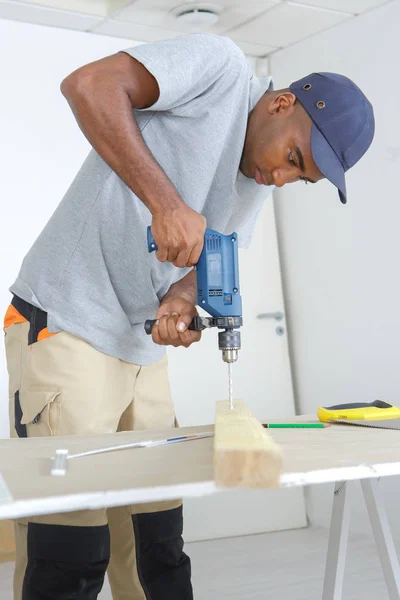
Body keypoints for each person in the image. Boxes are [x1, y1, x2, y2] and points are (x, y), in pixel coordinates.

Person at [3, 32, 374, 600]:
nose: (281, 179)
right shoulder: (218, 69)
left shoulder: (257, 180)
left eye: (301, 179)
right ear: (281, 104)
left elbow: (201, 259)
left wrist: (178, 300)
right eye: (294, 159)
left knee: (159, 541)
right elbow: (88, 86)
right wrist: (166, 203)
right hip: (67, 319)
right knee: (71, 548)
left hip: (138, 345)